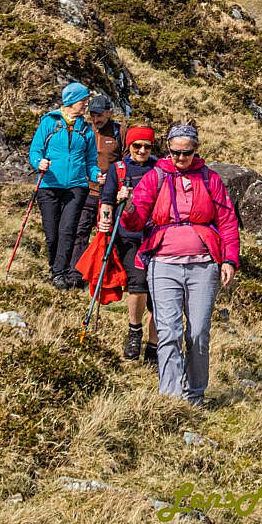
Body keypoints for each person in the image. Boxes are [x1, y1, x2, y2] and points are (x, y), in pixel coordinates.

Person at [119, 124, 239, 406]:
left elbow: (227, 221)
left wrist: (229, 259)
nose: (181, 158)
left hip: (204, 265)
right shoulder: (155, 177)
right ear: (168, 150)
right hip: (163, 264)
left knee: (198, 332)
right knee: (168, 331)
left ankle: (195, 394)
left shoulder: (210, 179)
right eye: (175, 152)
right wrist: (128, 208)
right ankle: (171, 397)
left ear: (195, 150)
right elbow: (135, 222)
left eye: (186, 152)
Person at [27, 81, 100, 289]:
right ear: (72, 101)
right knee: (52, 233)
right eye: (83, 101)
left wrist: (97, 175)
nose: (86, 105)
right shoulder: (49, 123)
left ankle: (60, 273)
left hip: (76, 186)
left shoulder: (85, 129)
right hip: (49, 184)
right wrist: (38, 163)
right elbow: (35, 151)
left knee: (68, 230)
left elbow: (91, 161)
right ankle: (54, 266)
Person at [98, 125, 160, 363]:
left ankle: (153, 346)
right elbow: (106, 200)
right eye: (137, 146)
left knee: (160, 295)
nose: (142, 150)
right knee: (139, 281)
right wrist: (105, 221)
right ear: (129, 146)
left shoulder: (160, 168)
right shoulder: (119, 169)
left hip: (157, 235)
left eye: (147, 146)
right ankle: (134, 331)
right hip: (128, 236)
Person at [69, 93, 124, 283]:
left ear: (109, 112)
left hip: (111, 194)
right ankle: (76, 273)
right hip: (87, 190)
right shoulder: (84, 130)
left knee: (110, 233)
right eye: (92, 114)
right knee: (80, 230)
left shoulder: (119, 132)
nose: (95, 118)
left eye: (99, 115)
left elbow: (125, 162)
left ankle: (108, 274)